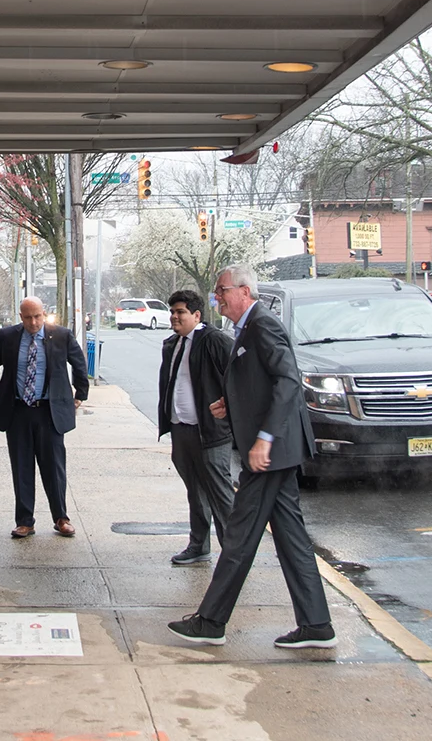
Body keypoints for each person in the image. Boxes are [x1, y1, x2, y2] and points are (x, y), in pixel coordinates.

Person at [167, 265, 336, 650]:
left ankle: (211, 621)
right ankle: (317, 625)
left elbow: (288, 381)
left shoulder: (262, 325)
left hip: (271, 453)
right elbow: (260, 382)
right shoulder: (246, 328)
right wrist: (232, 404)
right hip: (273, 451)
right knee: (291, 538)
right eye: (216, 292)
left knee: (239, 536)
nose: (217, 297)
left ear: (244, 291)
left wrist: (264, 438)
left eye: (222, 290)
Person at [0, 296, 88, 538]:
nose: (33, 322)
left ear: (43, 313)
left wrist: (80, 393)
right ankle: (24, 521)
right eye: (28, 317)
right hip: (18, 410)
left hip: (49, 411)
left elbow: (79, 363)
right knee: (21, 467)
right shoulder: (8, 337)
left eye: (37, 316)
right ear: (21, 317)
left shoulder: (61, 336)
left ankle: (61, 518)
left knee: (54, 467)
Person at [158, 288, 236, 566]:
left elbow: (237, 378)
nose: (174, 317)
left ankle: (234, 554)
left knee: (220, 493)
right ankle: (199, 545)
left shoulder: (214, 341)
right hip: (182, 430)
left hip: (211, 433)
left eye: (180, 312)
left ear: (197, 315)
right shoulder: (172, 344)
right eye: (172, 312)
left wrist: (229, 411)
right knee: (195, 491)